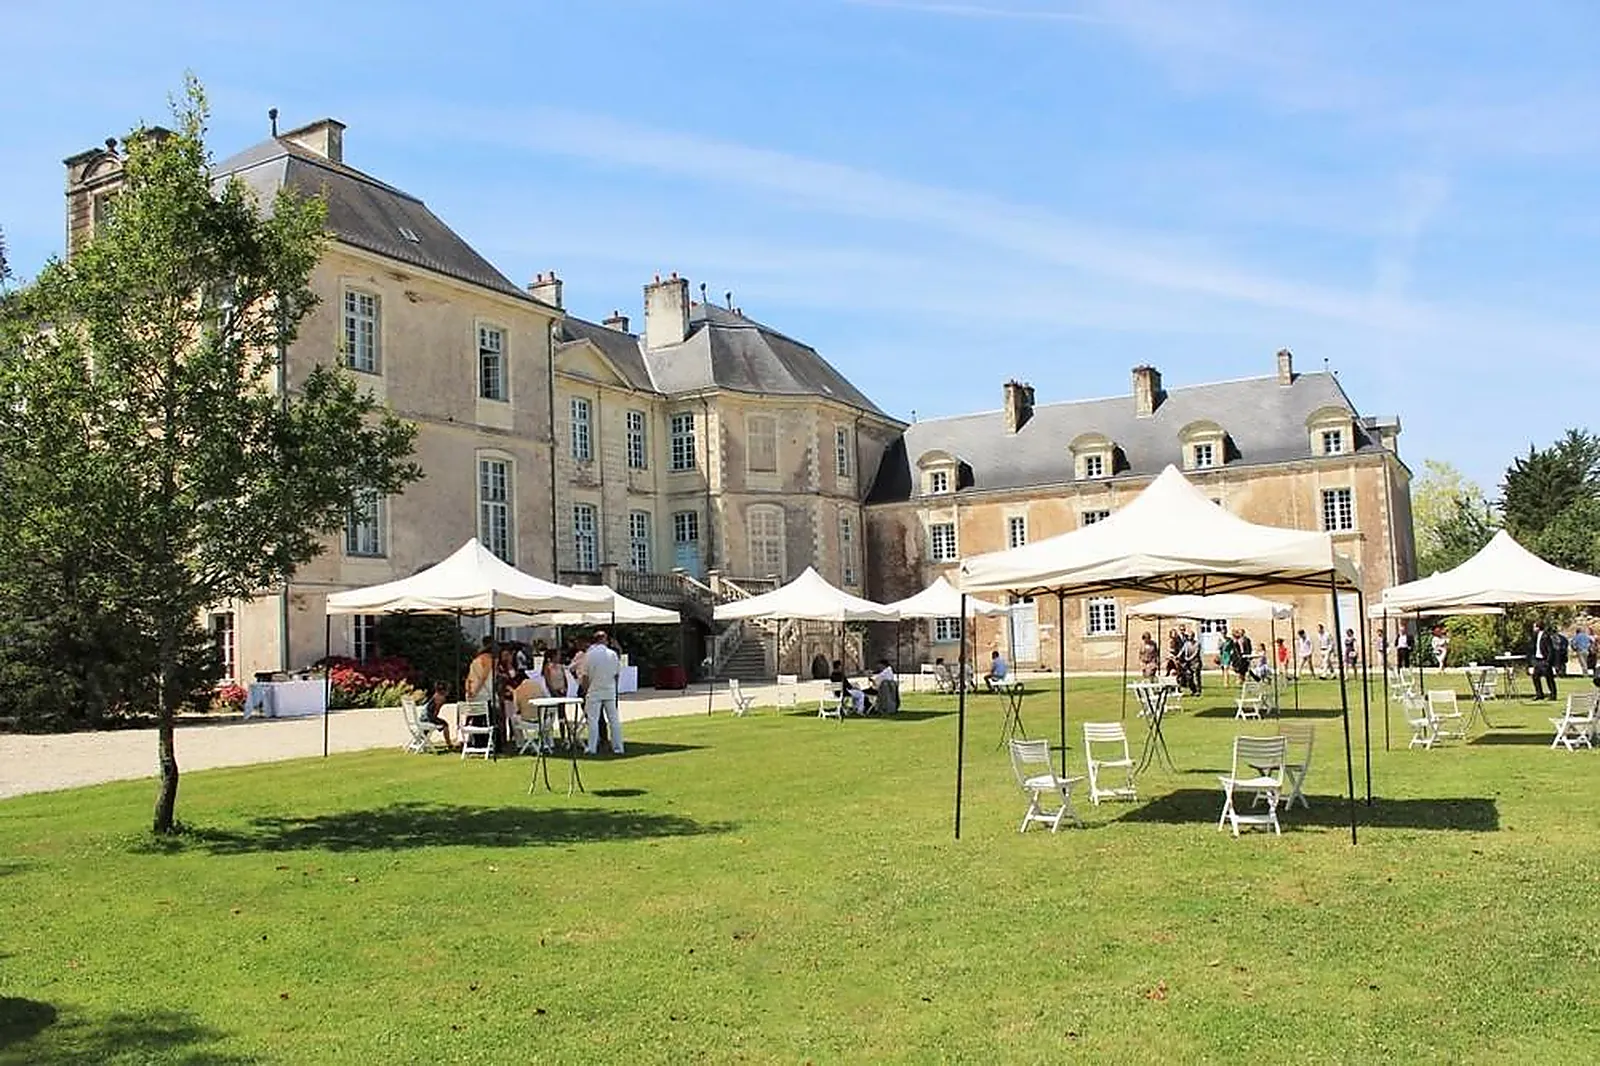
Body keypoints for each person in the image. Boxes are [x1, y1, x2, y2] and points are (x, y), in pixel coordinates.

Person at [581, 630, 624, 754]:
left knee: (593, 720)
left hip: (594, 690)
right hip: (609, 690)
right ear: (604, 640)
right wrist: (615, 689)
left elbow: (585, 677)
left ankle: (592, 747)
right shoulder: (612, 654)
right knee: (614, 720)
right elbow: (616, 675)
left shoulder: (589, 655)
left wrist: (585, 691)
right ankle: (618, 747)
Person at [1529, 621, 1559, 701]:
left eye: (1535, 627)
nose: (1533, 628)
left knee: (1549, 678)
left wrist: (1548, 661)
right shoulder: (1535, 636)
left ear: (1538, 627)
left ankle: (1553, 695)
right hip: (1537, 660)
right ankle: (1539, 694)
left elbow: (1550, 650)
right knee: (1535, 677)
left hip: (1544, 660)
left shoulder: (1546, 636)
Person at [419, 680, 454, 748]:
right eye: (447, 690)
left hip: (423, 717)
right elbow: (435, 711)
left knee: (430, 727)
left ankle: (421, 741)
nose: (448, 692)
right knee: (445, 725)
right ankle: (449, 744)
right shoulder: (440, 698)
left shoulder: (435, 696)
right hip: (428, 717)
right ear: (443, 691)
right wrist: (436, 721)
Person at [464, 636, 495, 702]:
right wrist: (475, 691)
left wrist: (470, 690)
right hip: (482, 692)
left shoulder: (478, 660)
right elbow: (483, 677)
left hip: (475, 690)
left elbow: (471, 677)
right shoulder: (488, 659)